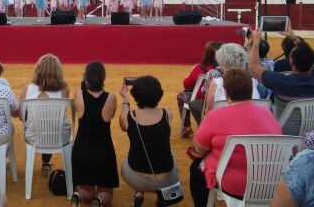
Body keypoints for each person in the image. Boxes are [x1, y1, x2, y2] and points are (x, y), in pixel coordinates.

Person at [189, 68, 282, 207]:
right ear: (251, 90)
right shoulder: (267, 112)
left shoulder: (215, 115)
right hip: (270, 181)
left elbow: (199, 149)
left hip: (234, 184)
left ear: (226, 92)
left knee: (196, 168)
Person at [119, 75, 178, 207]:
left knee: (127, 161)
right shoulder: (168, 114)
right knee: (168, 149)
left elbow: (123, 123)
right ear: (159, 94)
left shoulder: (129, 118)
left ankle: (139, 192)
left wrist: (125, 99)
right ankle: (161, 196)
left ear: (135, 95)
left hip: (137, 179)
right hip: (168, 180)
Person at [71, 61, 118, 207]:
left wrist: (83, 85)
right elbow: (111, 116)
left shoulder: (78, 94)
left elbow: (79, 108)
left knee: (86, 189)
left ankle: (79, 195)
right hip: (104, 152)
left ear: (86, 78)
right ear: (104, 78)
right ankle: (100, 200)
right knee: (107, 192)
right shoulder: (111, 97)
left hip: (82, 152)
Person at [249, 26, 314, 125]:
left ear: (291, 61)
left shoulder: (280, 81)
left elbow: (254, 66)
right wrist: (294, 38)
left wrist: (256, 42)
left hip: (285, 134)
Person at [19, 54, 70, 175]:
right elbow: (59, 114)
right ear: (58, 71)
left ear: (37, 70)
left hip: (33, 136)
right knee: (51, 125)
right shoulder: (64, 89)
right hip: (58, 136)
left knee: (42, 125)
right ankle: (46, 162)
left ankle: (46, 161)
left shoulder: (27, 89)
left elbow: (21, 117)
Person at [179, 41, 222, 137]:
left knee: (181, 96)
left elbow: (186, 84)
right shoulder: (226, 69)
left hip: (201, 100)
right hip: (222, 100)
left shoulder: (198, 68)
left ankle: (187, 126)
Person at [204, 43, 261, 113]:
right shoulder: (253, 81)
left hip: (223, 121)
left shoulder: (216, 83)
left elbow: (208, 111)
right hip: (251, 120)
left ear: (221, 61)